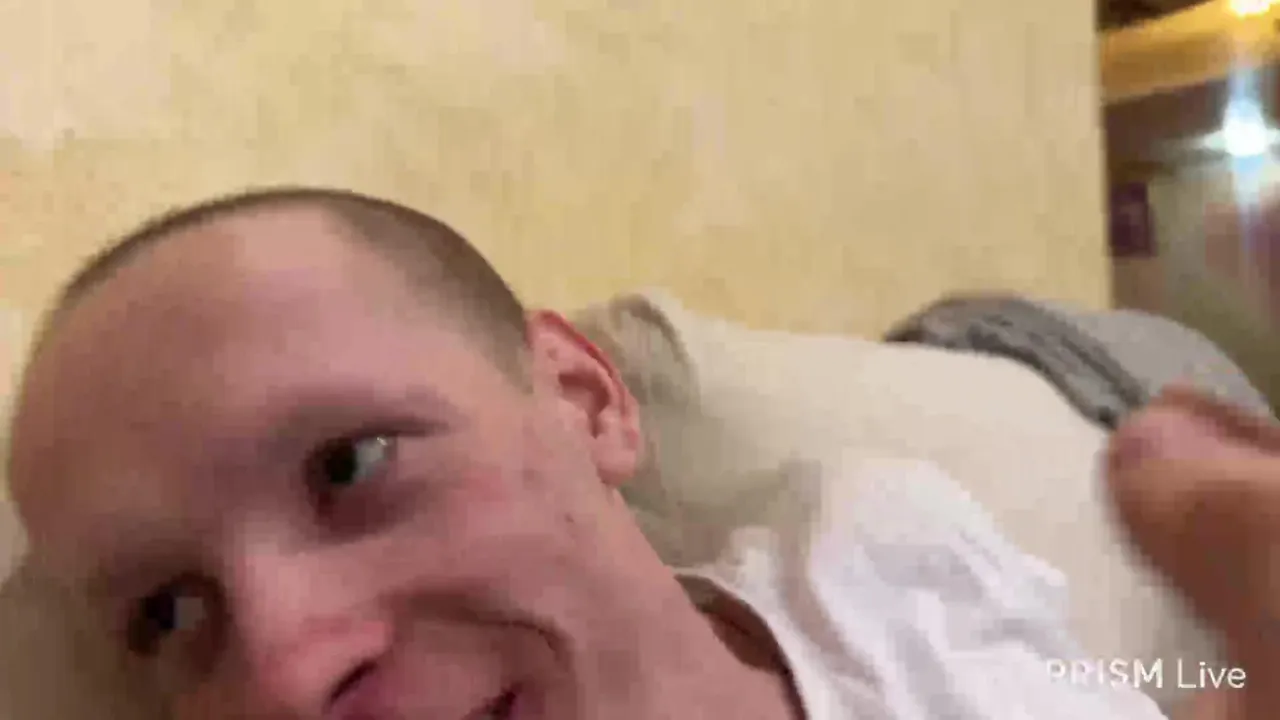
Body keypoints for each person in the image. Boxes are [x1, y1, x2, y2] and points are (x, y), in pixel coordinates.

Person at [1, 186, 1272, 719]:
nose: (286, 675)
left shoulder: (877, 542)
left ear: (584, 397)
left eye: (349, 464)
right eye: (170, 613)